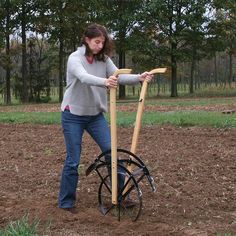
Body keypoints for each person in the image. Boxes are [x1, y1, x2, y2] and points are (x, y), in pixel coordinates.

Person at [58, 23, 153, 213]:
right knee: (73, 160)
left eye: (103, 42)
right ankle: (66, 203)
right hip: (73, 115)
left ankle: (119, 197)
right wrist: (105, 82)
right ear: (86, 40)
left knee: (112, 154)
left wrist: (139, 78)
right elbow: (84, 77)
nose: (100, 46)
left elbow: (117, 76)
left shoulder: (103, 59)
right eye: (96, 42)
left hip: (95, 116)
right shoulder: (74, 58)